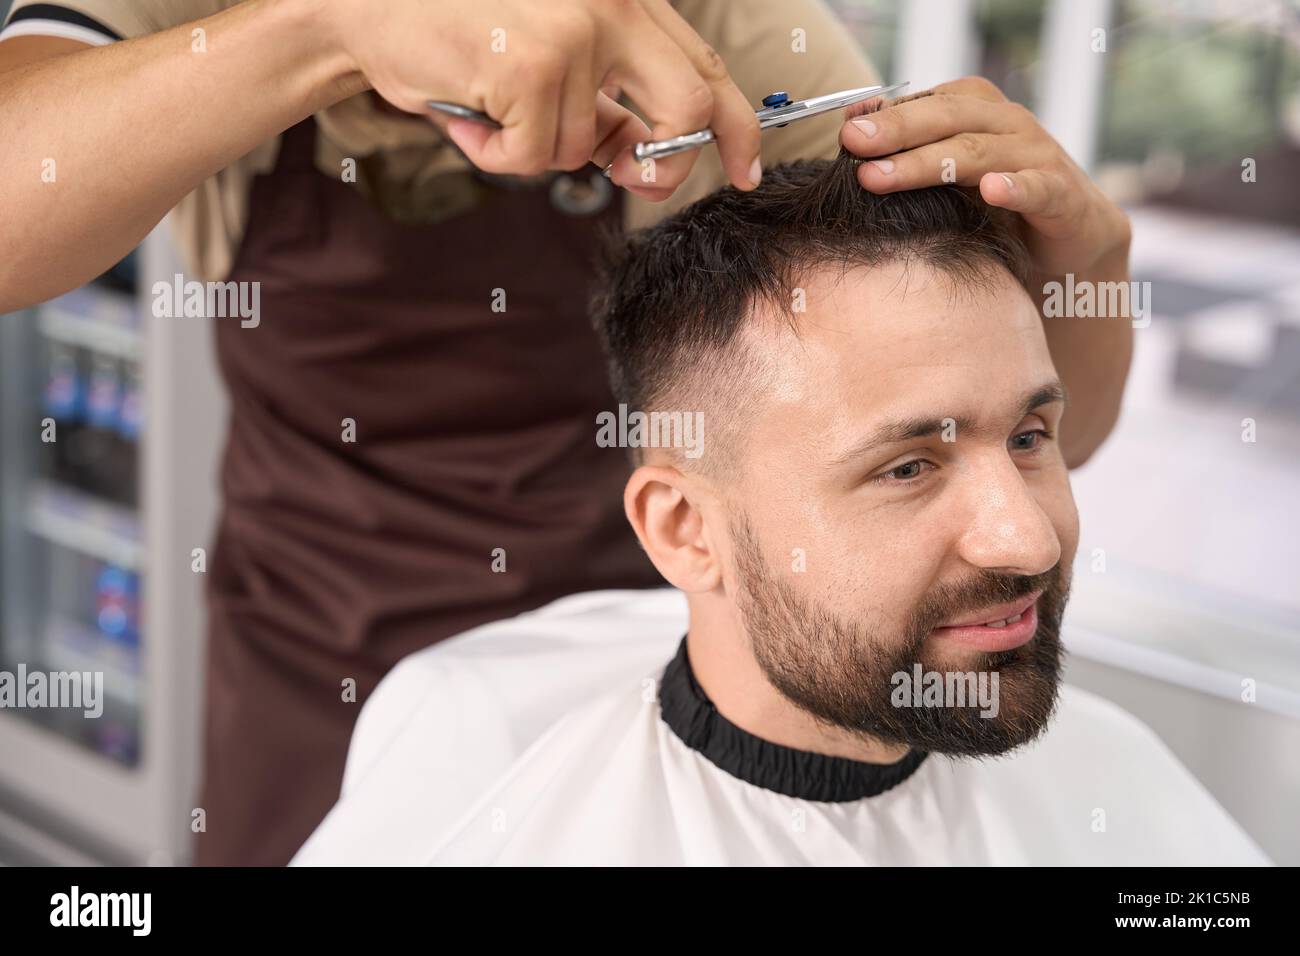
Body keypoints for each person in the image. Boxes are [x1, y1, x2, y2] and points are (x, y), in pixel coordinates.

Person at [0, 0, 1133, 865]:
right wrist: (328, 29)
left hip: (660, 665)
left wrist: (1087, 261)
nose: (1018, 536)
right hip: (315, 658)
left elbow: (1034, 433)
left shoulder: (723, 33)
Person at [295, 155, 1267, 865]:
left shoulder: (1115, 777)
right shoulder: (485, 768)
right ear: (685, 528)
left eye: (1026, 437)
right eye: (905, 467)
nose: (1028, 537)